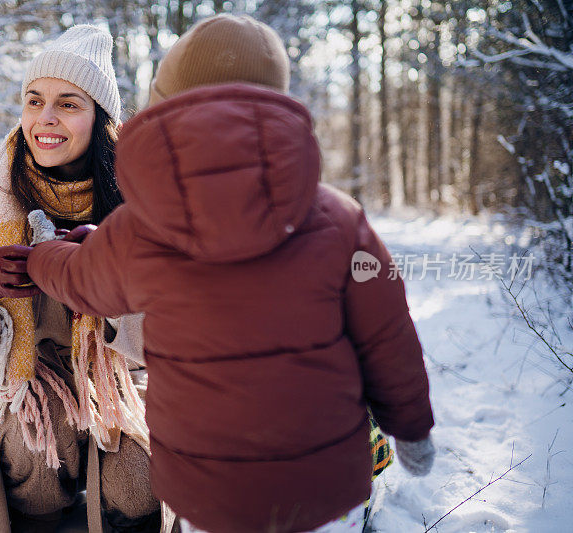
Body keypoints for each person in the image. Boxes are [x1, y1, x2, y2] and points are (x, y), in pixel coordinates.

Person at [24, 14, 436, 533]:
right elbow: (389, 339)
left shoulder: (142, 228)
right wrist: (412, 430)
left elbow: (81, 281)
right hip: (327, 487)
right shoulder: (338, 220)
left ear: (168, 104)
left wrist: (43, 254)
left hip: (210, 494)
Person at [0, 25, 161, 533]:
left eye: (69, 104)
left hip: (120, 377)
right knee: (36, 440)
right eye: (34, 101)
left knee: (137, 478)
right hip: (17, 384)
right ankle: (36, 521)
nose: (46, 119)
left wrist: (112, 288)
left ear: (101, 120)